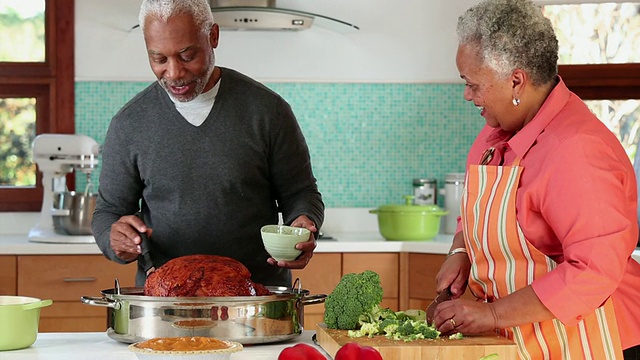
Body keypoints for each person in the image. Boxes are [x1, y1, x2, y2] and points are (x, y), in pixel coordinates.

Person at [432, 0, 640, 358]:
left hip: (596, 341)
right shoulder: (494, 134)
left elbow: (593, 271)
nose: (467, 95)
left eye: (473, 84)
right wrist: (461, 250)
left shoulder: (576, 150)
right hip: (527, 341)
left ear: (516, 80)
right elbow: (478, 215)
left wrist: (492, 313)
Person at [91, 0, 324, 289]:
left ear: (213, 36)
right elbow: (108, 213)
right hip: (165, 301)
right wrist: (115, 240)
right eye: (159, 59)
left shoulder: (268, 111)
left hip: (256, 298)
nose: (174, 73)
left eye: (187, 56)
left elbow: (300, 192)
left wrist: (303, 222)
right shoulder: (129, 123)